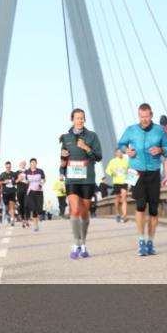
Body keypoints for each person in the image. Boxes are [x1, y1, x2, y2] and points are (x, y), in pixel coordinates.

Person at [118, 103, 167, 257]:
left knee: (154, 209)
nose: (144, 119)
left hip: (154, 172)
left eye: (147, 116)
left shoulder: (159, 131)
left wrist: (161, 150)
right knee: (140, 205)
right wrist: (126, 150)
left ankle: (150, 241)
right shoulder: (131, 130)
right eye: (141, 117)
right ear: (139, 116)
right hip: (135, 171)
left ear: (151, 115)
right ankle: (141, 240)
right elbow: (121, 144)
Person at [59, 108, 103, 258]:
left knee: (84, 213)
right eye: (77, 118)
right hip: (71, 179)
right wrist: (63, 159)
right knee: (75, 210)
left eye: (82, 118)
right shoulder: (65, 138)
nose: (80, 121)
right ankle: (76, 243)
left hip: (87, 178)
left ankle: (83, 242)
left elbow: (98, 157)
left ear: (84, 120)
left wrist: (86, 147)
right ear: (72, 119)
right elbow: (63, 161)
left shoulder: (92, 136)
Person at [104, 147, 130, 223]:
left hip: (124, 181)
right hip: (116, 182)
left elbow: (129, 169)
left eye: (120, 152)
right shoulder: (112, 161)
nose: (119, 154)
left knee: (124, 198)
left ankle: (125, 215)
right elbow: (107, 170)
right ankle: (118, 213)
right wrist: (112, 173)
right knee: (117, 199)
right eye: (118, 152)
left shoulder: (126, 161)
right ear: (116, 153)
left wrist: (128, 172)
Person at [23, 158, 46, 231]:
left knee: (39, 208)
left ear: (36, 163)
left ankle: (41, 214)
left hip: (39, 191)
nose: (33, 164)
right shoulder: (27, 171)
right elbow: (24, 180)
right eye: (32, 163)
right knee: (34, 209)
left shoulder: (40, 171)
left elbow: (44, 179)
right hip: (30, 192)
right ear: (30, 164)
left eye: (34, 163)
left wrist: (41, 183)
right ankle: (36, 225)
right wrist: (26, 182)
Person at [15, 160, 29, 226]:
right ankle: (23, 219)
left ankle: (26, 219)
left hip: (27, 190)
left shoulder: (28, 171)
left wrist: (28, 182)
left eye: (24, 164)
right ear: (19, 164)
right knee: (21, 206)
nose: (23, 165)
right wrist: (18, 179)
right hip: (19, 191)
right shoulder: (17, 172)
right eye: (22, 164)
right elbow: (13, 182)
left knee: (26, 205)